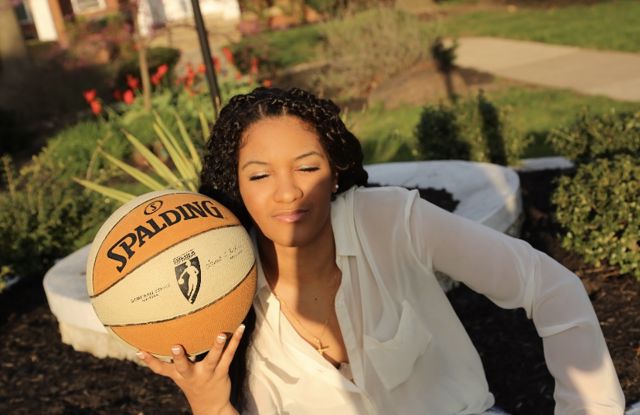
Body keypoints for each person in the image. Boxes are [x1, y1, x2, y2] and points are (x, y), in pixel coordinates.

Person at [136, 87, 625, 414]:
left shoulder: (391, 221)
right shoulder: (224, 293)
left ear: (335, 174)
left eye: (307, 167)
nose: (287, 192)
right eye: (260, 175)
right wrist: (210, 404)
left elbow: (549, 286)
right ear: (236, 187)